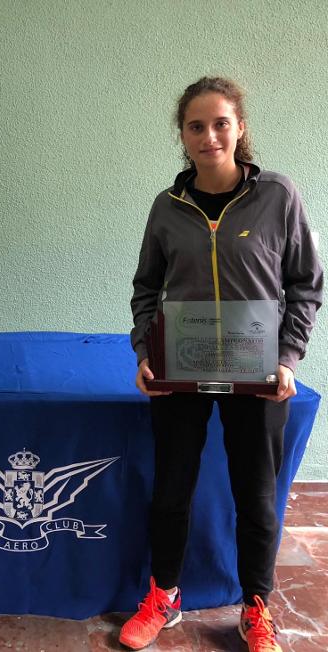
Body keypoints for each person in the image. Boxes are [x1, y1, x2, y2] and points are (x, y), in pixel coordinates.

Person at [121, 77, 323, 652]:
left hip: (256, 374)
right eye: (195, 126)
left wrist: (287, 357)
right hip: (180, 371)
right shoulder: (167, 207)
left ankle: (256, 608)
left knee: (256, 495)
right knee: (172, 492)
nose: (208, 136)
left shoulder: (278, 196)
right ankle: (165, 596)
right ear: (181, 135)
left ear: (239, 128)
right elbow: (145, 288)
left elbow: (305, 284)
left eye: (220, 123)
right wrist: (144, 351)